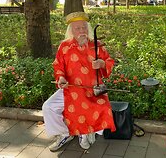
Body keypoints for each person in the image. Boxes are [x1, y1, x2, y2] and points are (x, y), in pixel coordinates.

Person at [42, 11, 116, 151]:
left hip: (92, 89)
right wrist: (61, 78)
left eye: (84, 27)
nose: (81, 31)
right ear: (71, 31)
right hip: (70, 89)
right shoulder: (64, 46)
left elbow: (109, 62)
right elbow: (58, 66)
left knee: (87, 107)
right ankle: (65, 133)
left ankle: (83, 132)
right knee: (48, 107)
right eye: (77, 28)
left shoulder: (97, 44)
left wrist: (101, 63)